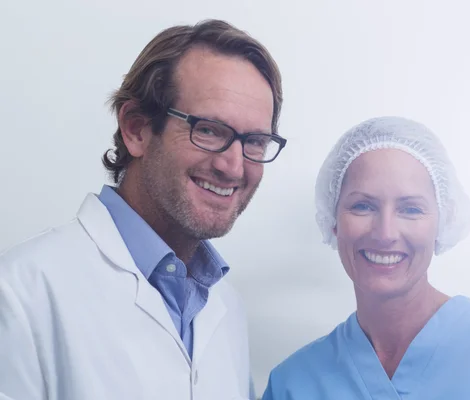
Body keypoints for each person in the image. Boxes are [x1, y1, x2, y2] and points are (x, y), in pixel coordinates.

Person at [0, 19, 286, 400]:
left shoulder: (227, 310)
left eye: (255, 141)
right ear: (136, 129)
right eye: (209, 130)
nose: (233, 167)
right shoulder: (20, 294)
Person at [262, 117, 470, 399]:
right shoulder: (293, 384)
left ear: (442, 222)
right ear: (333, 219)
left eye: (411, 209)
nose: (385, 233)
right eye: (362, 206)